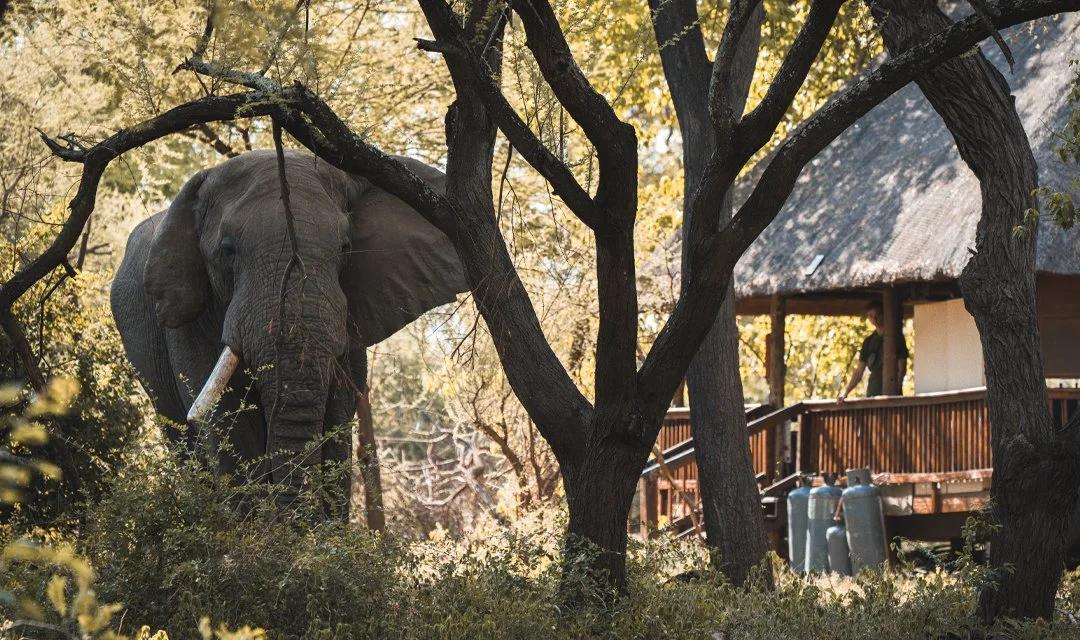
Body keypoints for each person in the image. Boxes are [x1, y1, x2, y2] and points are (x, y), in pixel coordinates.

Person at [837, 300, 908, 402]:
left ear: (883, 314)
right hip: (873, 391)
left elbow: (902, 366)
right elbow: (859, 371)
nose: (874, 319)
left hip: (893, 392)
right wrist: (845, 393)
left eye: (877, 314)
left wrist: (898, 386)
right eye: (870, 315)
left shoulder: (897, 338)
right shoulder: (868, 342)